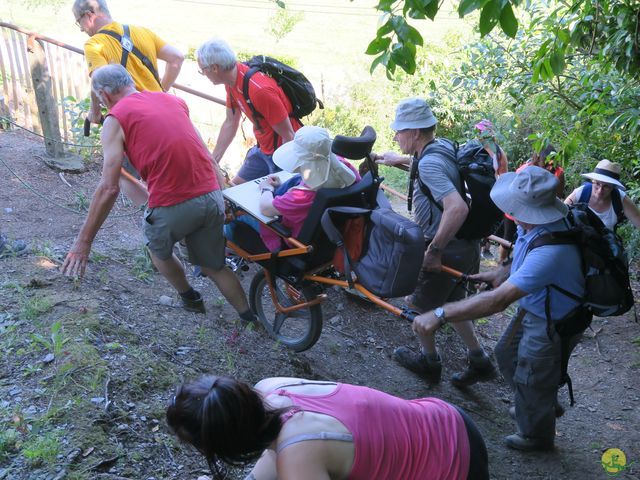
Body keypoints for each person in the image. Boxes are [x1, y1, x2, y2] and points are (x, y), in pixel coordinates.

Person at [60, 65, 254, 324]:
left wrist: (83, 243)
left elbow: (108, 188)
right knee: (213, 265)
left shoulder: (115, 119)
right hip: (210, 195)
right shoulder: (173, 100)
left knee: (158, 251)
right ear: (130, 83)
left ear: (104, 96)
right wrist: (222, 191)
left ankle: (189, 298)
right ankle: (249, 318)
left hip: (174, 205)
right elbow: (206, 155)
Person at [412, 166, 586, 451]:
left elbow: (497, 301)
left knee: (531, 370)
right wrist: (501, 272)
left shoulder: (553, 252)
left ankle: (536, 436)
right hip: (538, 306)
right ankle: (539, 401)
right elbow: (526, 251)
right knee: (506, 355)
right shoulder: (541, 224)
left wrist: (440, 313)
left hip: (555, 319)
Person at [374, 98, 496, 387]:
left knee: (420, 308)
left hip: (448, 247)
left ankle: (429, 362)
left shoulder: (428, 163)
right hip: (467, 244)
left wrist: (434, 251)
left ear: (415, 132)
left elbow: (457, 207)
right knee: (453, 304)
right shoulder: (440, 146)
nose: (396, 136)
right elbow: (430, 168)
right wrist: (397, 159)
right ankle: (480, 360)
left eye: (400, 131)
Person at [166, 375, 489, 480]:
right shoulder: (271, 390)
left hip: (454, 465)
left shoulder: (300, 457)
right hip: (446, 418)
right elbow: (271, 456)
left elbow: (290, 457)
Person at [72, 0, 184, 206]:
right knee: (173, 175)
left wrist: (94, 112)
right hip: (166, 113)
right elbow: (177, 57)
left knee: (122, 174)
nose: (80, 29)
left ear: (89, 15)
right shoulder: (141, 32)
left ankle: (157, 217)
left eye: (78, 22)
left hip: (136, 122)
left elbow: (99, 81)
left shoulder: (94, 44)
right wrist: (162, 91)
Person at [196, 38, 302, 185]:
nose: (204, 74)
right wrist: (212, 163)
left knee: (269, 202)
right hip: (262, 149)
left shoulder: (260, 90)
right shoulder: (231, 82)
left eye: (203, 70)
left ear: (214, 68)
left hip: (281, 154)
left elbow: (288, 135)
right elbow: (230, 122)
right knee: (233, 192)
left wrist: (287, 180)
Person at [565, 159, 640, 232]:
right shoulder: (581, 193)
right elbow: (560, 216)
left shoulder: (619, 198)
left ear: (613, 187)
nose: (600, 190)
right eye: (597, 184)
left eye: (606, 186)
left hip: (605, 243)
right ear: (592, 181)